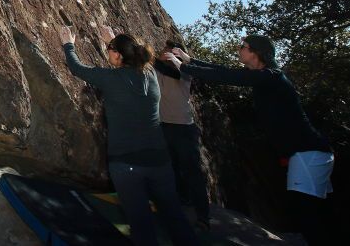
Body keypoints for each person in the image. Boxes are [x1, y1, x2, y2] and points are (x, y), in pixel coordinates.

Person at [163, 36, 334, 245]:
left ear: (255, 52)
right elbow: (224, 71)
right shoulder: (262, 76)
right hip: (306, 153)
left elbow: (226, 77)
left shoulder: (271, 77)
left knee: (307, 210)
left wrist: (182, 66)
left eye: (243, 47)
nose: (239, 49)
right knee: (309, 210)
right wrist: (189, 60)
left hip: (308, 153)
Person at [59, 25, 199, 246]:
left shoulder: (110, 79)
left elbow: (78, 68)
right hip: (159, 161)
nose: (108, 52)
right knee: (175, 218)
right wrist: (114, 39)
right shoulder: (151, 73)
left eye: (110, 49)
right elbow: (131, 57)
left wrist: (68, 44)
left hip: (125, 164)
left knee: (141, 223)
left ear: (117, 54)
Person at [153, 41, 211, 230]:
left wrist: (172, 59)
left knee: (192, 171)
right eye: (165, 51)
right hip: (164, 126)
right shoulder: (157, 69)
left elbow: (177, 72)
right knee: (171, 168)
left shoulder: (184, 72)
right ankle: (180, 200)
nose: (166, 54)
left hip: (184, 129)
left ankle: (203, 216)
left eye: (172, 52)